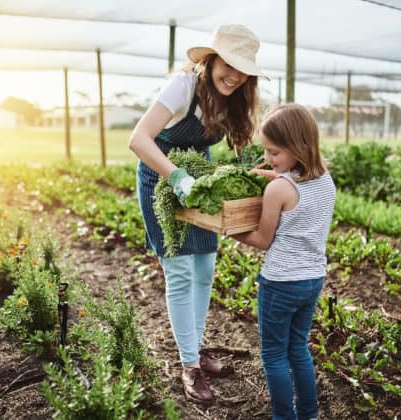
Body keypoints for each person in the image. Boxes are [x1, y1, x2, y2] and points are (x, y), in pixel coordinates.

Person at [128, 24, 266, 404]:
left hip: (200, 178)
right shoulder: (183, 86)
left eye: (244, 71)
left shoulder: (234, 98)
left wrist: (260, 177)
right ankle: (189, 365)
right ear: (211, 60)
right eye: (229, 65)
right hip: (162, 176)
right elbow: (138, 139)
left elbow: (245, 150)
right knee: (179, 271)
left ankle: (197, 347)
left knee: (205, 267)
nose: (235, 76)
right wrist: (175, 177)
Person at [232, 103, 336, 420]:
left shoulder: (278, 189)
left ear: (298, 146)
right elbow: (292, 186)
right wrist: (277, 174)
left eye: (274, 152)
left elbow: (263, 240)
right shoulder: (326, 181)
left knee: (274, 354)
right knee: (298, 349)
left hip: (280, 283)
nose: (269, 159)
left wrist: (231, 231)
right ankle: (308, 414)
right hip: (312, 280)